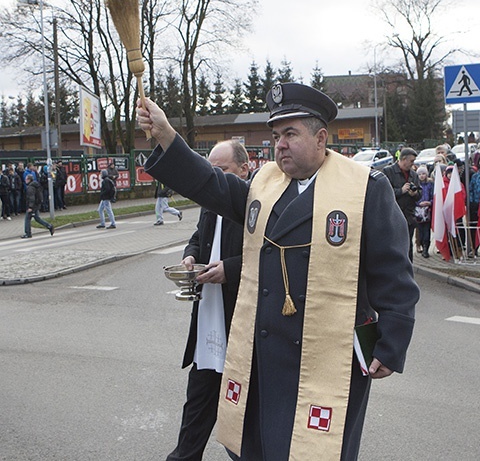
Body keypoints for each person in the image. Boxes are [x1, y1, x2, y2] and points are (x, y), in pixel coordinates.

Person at [138, 82, 419, 461]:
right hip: (263, 357)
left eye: (290, 134)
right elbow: (209, 184)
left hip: (328, 358)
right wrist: (167, 136)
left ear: (321, 138)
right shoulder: (263, 186)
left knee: (317, 451)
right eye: (275, 135)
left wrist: (392, 341)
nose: (279, 144)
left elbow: (393, 272)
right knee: (261, 448)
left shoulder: (365, 188)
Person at [167, 140, 249, 461]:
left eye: (222, 170)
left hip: (239, 328)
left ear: (244, 169)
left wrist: (230, 269)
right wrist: (190, 256)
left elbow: (271, 255)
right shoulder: (209, 202)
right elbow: (199, 238)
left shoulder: (254, 204)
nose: (213, 176)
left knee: (241, 422)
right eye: (210, 169)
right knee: (196, 412)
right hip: (207, 329)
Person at [383, 147, 421, 261]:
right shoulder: (388, 172)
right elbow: (384, 193)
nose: (412, 164)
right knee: (393, 245)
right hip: (393, 217)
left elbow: (420, 193)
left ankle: (408, 271)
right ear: (404, 159)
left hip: (409, 217)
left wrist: (415, 194)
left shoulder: (414, 175)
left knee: (408, 246)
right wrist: (401, 191)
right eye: (411, 161)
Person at [21, 173, 54, 238]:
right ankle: (49, 226)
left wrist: (30, 207)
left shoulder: (30, 187)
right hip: (36, 205)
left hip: (32, 206)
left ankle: (28, 233)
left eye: (26, 179)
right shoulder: (36, 185)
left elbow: (31, 197)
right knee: (37, 218)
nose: (25, 180)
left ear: (29, 180)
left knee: (27, 219)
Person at [414, 165, 433, 258]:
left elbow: (433, 196)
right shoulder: (416, 185)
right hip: (418, 210)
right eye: (420, 174)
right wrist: (418, 203)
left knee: (427, 230)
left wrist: (429, 202)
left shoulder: (430, 185)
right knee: (420, 230)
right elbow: (413, 197)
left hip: (427, 210)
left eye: (423, 174)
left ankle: (426, 247)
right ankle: (420, 243)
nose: (422, 176)